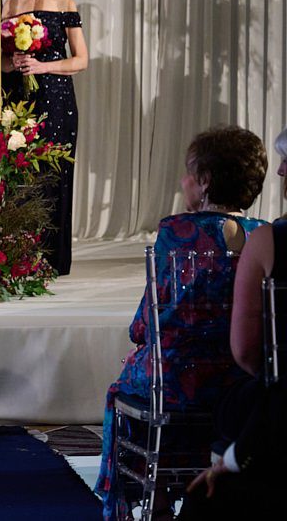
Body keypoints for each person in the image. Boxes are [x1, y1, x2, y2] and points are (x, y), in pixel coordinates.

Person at [94, 126, 268, 520]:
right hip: (241, 379)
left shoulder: (176, 232)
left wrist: (141, 336)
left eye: (189, 171)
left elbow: (144, 326)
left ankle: (147, 500)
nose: (183, 180)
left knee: (129, 381)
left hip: (178, 377)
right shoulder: (264, 234)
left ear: (204, 181)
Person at [178, 127, 287, 518]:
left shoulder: (271, 240)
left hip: (209, 375)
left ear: (205, 180)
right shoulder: (259, 229)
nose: (280, 173)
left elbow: (246, 351)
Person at [1, 0, 88, 275]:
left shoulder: (65, 3)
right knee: (23, 173)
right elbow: (1, 64)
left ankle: (53, 257)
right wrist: (16, 61)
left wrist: (43, 66)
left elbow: (81, 60)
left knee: (55, 174)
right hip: (20, 99)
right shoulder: (10, 5)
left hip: (57, 98)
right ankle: (22, 253)